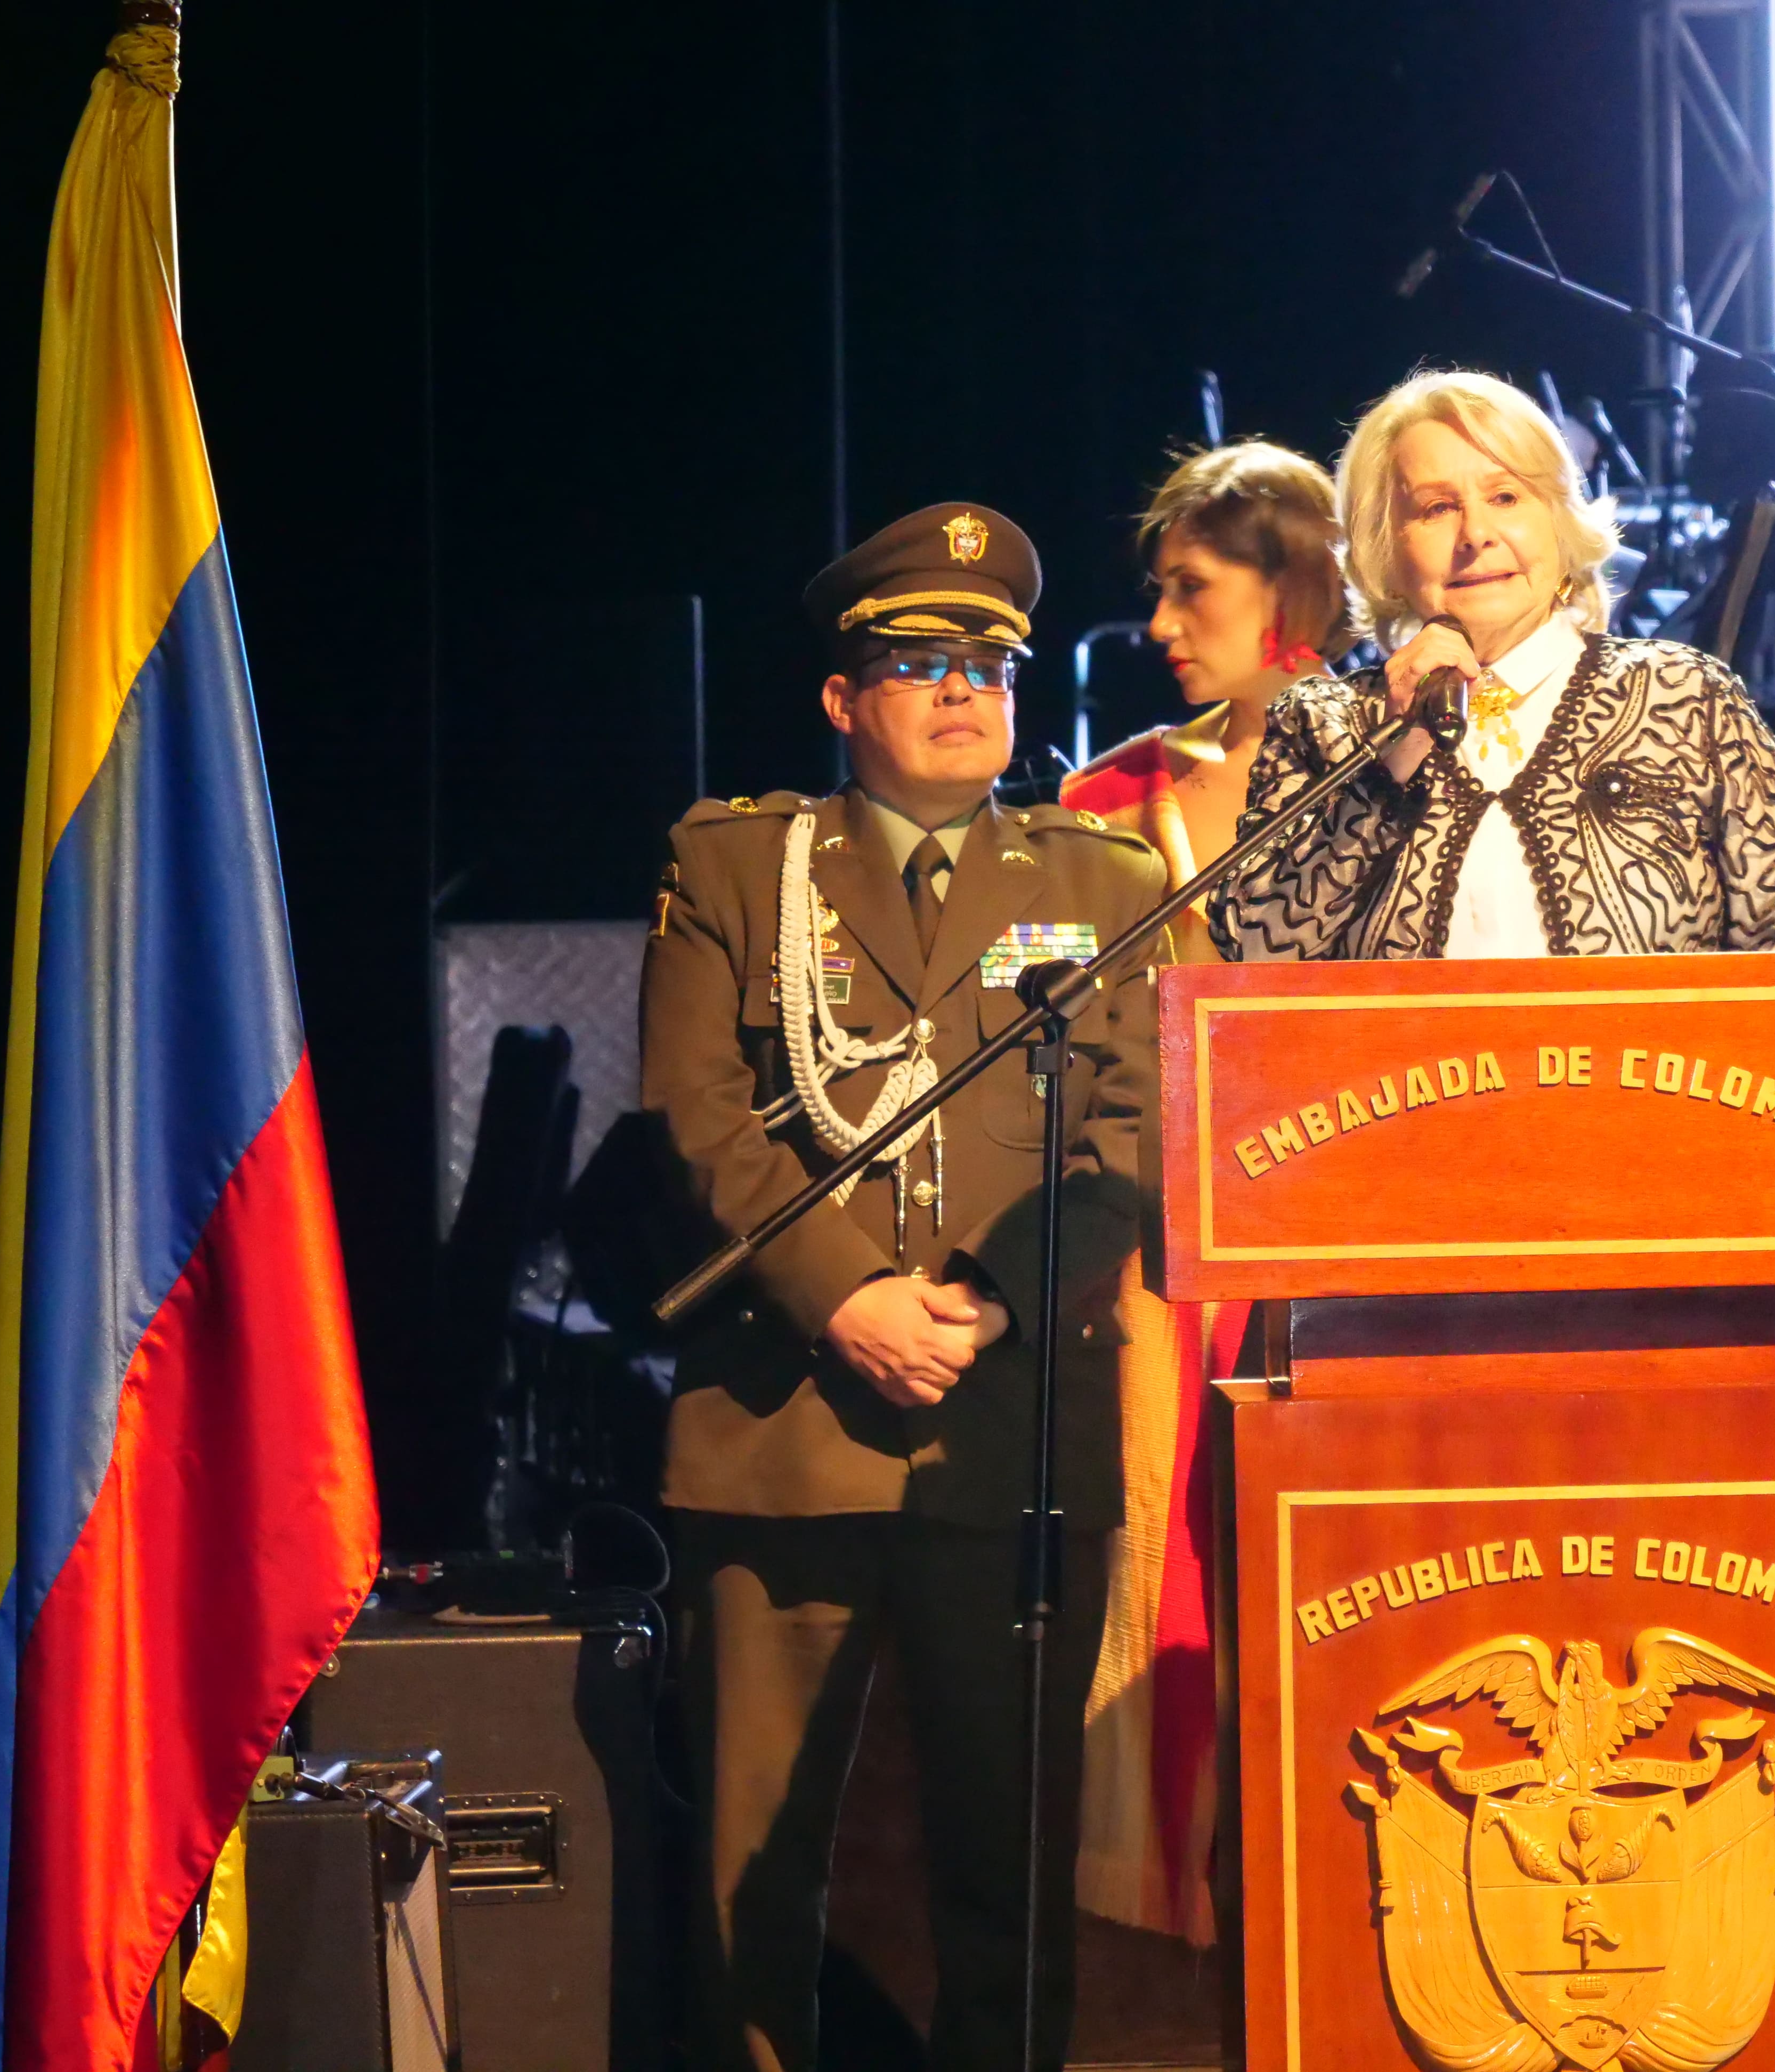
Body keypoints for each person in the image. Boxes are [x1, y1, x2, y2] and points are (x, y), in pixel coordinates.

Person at [644, 503, 1168, 2071]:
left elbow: (1139, 1132)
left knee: (1004, 1876)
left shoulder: (1102, 871)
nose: (964, 692)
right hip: (786, 1425)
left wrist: (996, 1301)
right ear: (840, 697)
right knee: (753, 1882)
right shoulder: (737, 862)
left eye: (991, 665)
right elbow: (692, 1115)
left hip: (1002, 1438)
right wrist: (848, 1302)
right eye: (920, 660)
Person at [1055, 441, 1345, 1946]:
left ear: (1294, 584)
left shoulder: (1401, 772)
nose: (1162, 624)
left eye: (1193, 589)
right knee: (1162, 1558)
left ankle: (1349, 1876)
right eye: (1159, 593)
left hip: (1354, 1237)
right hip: (1169, 1250)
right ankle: (1176, 1885)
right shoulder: (1109, 796)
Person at [1209, 370, 1775, 961]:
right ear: (1386, 550)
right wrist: (1394, 760)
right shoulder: (1324, 727)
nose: (1476, 535)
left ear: (1559, 521)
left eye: (1507, 498)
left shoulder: (1686, 697)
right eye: (1436, 508)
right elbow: (1254, 958)